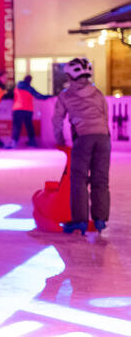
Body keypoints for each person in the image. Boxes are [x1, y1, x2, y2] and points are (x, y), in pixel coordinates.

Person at [53, 58, 110, 234]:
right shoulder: (97, 92)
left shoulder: (66, 95)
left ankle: (80, 221)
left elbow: (57, 120)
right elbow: (105, 113)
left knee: (79, 180)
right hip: (103, 138)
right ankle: (100, 220)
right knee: (100, 180)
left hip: (83, 138)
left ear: (70, 76)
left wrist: (60, 139)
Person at [10, 74, 49, 148]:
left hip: (17, 109)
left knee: (16, 127)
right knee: (29, 127)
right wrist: (49, 96)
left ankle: (14, 143)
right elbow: (39, 96)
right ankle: (32, 142)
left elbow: (11, 96)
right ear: (30, 81)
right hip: (28, 110)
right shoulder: (30, 88)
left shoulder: (17, 87)